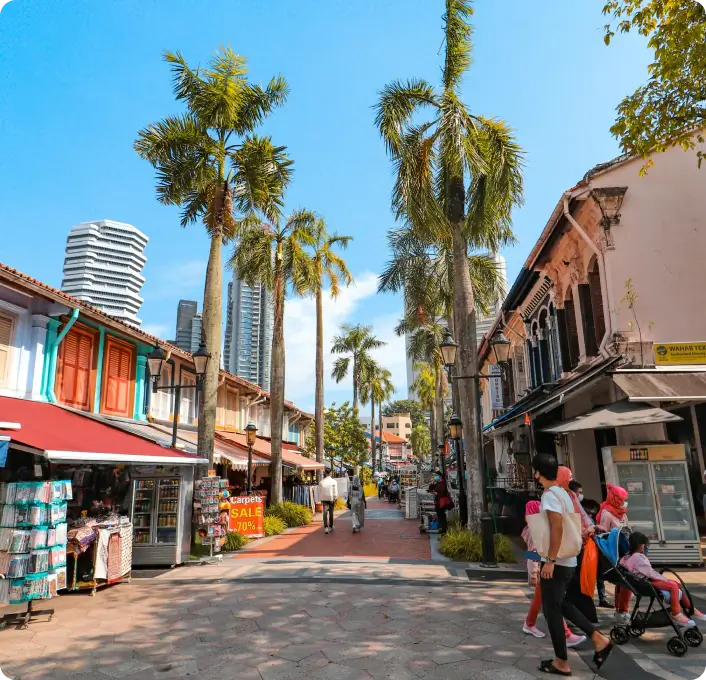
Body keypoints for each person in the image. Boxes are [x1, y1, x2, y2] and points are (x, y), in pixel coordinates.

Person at [531, 453, 613, 677]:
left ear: (537, 472)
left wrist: (549, 560)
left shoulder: (549, 496)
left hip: (557, 560)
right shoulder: (564, 494)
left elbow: (556, 528)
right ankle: (598, 639)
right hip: (568, 559)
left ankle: (561, 662)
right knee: (562, 604)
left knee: (551, 610)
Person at [522, 499, 586, 647]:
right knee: (552, 602)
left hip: (542, 569)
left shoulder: (534, 528)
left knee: (542, 599)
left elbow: (530, 554)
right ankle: (566, 634)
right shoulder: (534, 530)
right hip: (541, 570)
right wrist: (534, 572)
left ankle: (529, 623)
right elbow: (531, 553)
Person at [620, 531, 706, 627]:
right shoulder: (638, 557)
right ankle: (676, 614)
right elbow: (650, 573)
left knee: (675, 584)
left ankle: (691, 609)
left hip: (642, 580)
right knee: (673, 586)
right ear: (641, 546)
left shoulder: (628, 556)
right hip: (646, 582)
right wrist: (664, 579)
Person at [558, 469, 598, 625]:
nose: (571, 479)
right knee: (570, 584)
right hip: (568, 546)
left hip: (580, 545)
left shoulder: (572, 496)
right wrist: (583, 531)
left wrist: (591, 526)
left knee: (576, 583)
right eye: (568, 477)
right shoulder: (556, 498)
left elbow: (583, 515)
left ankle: (579, 620)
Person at [569, 480, 611, 609]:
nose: (581, 495)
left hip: (586, 550)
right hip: (577, 551)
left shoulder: (580, 507)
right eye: (579, 493)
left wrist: (592, 527)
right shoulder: (571, 508)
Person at [597, 483, 631, 622]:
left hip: (627, 553)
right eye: (622, 499)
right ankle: (621, 610)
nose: (624, 502)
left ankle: (623, 609)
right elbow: (603, 535)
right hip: (616, 554)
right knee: (626, 582)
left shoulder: (621, 512)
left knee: (627, 583)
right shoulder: (607, 513)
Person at [317, 470, 338, 534]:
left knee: (325, 513)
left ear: (325, 473)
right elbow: (335, 491)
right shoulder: (334, 481)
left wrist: (320, 499)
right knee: (331, 513)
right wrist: (335, 498)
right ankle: (331, 526)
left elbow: (319, 492)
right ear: (330, 473)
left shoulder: (321, 482)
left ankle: (326, 527)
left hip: (324, 499)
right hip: (331, 498)